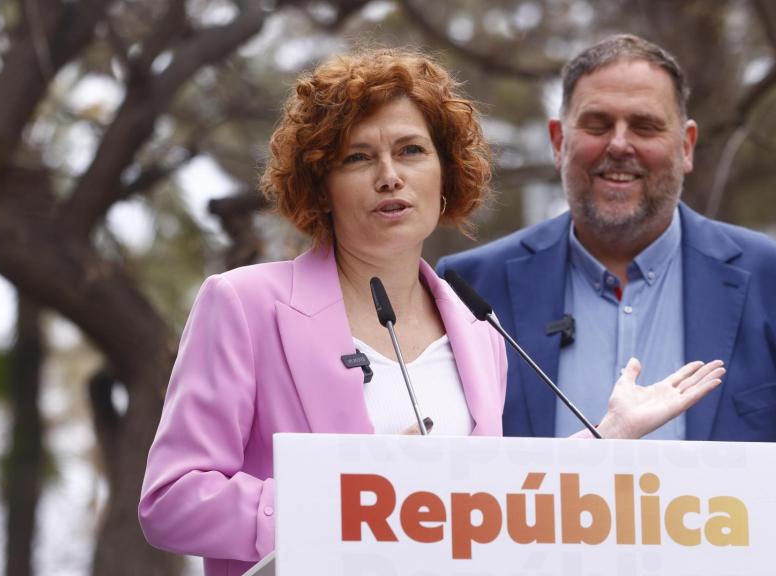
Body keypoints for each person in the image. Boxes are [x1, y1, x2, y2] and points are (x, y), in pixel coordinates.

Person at [137, 48, 725, 576]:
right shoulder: (243, 305)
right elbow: (171, 501)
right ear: (321, 187)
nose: (389, 176)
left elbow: (486, 503)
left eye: (411, 151)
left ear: (445, 177)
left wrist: (606, 436)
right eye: (357, 157)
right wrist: (346, 502)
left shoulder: (480, 331)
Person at [437, 34, 776, 576]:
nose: (620, 145)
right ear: (559, 141)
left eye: (644, 126)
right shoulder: (468, 291)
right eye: (597, 124)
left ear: (686, 145)